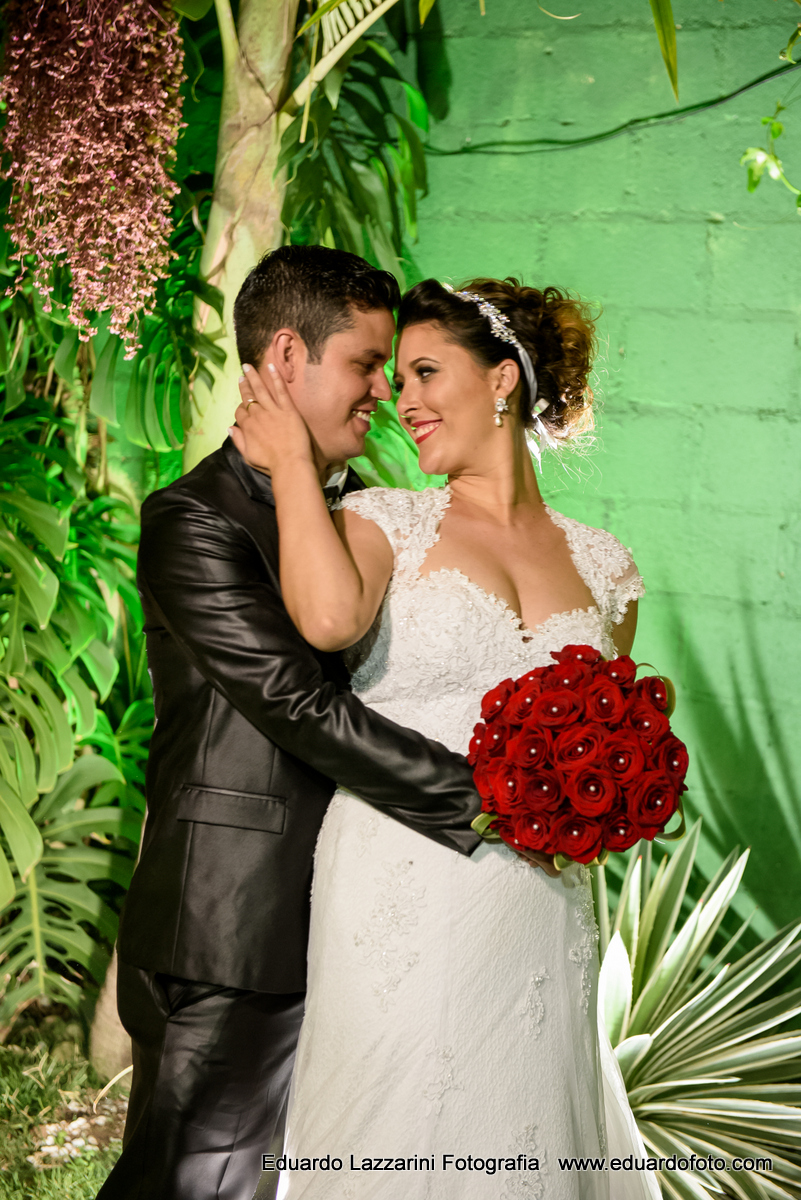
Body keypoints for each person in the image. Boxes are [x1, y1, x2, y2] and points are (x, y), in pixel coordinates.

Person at [98, 248, 534, 1200]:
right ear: (286, 356)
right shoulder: (195, 520)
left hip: (330, 922)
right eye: (367, 364)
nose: (383, 391)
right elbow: (301, 705)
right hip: (231, 927)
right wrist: (493, 802)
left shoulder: (347, 521)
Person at [230, 276, 662, 1199]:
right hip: (401, 876)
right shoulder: (384, 520)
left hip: (540, 900)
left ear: (502, 380)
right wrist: (296, 471)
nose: (402, 399)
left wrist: (602, 802)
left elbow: (611, 738)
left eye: (426, 372)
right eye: (396, 375)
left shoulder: (605, 565)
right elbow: (326, 620)